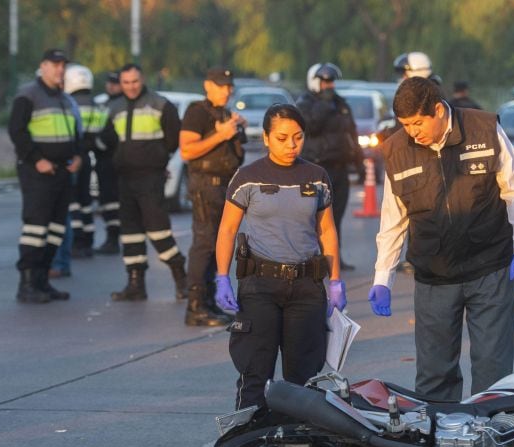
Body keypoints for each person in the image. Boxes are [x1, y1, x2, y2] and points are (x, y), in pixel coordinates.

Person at [369, 77, 514, 402]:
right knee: (434, 376)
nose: (411, 132)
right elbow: (393, 220)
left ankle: (490, 443)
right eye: (405, 124)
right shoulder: (397, 151)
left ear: (437, 109)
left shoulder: (483, 129)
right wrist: (382, 278)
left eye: (418, 122)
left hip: (489, 270)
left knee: (493, 371)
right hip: (434, 278)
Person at [214, 103, 346, 411]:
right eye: (283, 138)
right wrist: (222, 277)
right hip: (260, 287)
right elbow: (227, 229)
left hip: (306, 288)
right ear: (266, 138)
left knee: (303, 381)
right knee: (254, 374)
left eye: (298, 137)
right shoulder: (247, 177)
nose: (291, 145)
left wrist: (336, 281)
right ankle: (246, 446)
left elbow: (327, 231)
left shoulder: (317, 177)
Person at [100, 63, 186, 301]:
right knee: (130, 233)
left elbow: (172, 139)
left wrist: (158, 159)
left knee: (158, 229)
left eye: (135, 81)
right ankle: (135, 284)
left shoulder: (160, 104)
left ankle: (181, 278)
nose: (130, 87)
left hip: (150, 177)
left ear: (143, 79)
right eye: (125, 83)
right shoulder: (113, 107)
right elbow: (107, 140)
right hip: (125, 179)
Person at [8, 48, 82, 303]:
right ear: (43, 66)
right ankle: (27, 283)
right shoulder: (29, 94)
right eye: (55, 64)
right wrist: (37, 160)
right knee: (36, 228)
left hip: (62, 171)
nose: (60, 69)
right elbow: (16, 131)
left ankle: (42, 281)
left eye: (63, 64)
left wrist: (78, 155)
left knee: (55, 229)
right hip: (37, 172)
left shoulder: (63, 98)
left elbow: (74, 133)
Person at [179, 68, 247, 326]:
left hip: (224, 185)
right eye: (220, 85)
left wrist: (237, 128)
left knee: (218, 243)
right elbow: (187, 150)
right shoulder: (197, 112)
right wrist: (222, 134)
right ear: (207, 85)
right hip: (205, 185)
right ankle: (194, 305)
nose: (226, 91)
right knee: (204, 243)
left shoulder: (225, 113)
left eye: (229, 86)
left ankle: (208, 302)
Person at [296, 63, 363, 271]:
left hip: (339, 168)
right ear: (315, 82)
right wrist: (323, 106)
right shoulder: (305, 103)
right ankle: (310, 258)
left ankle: (333, 257)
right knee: (312, 216)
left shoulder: (340, 104)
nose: (329, 86)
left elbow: (350, 133)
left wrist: (358, 161)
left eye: (331, 82)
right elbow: (309, 126)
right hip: (315, 169)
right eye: (325, 82)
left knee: (335, 216)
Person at [63, 63, 101, 258]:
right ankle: (88, 240)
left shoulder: (69, 104)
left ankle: (77, 240)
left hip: (73, 157)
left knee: (73, 201)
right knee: (86, 200)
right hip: (88, 157)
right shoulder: (96, 104)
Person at [93, 71, 123, 255]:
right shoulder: (104, 104)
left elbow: (111, 134)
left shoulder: (120, 105)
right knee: (106, 201)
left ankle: (113, 239)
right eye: (109, 83)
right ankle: (111, 238)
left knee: (113, 201)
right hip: (103, 160)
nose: (111, 86)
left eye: (115, 83)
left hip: (114, 159)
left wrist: (99, 143)